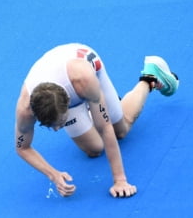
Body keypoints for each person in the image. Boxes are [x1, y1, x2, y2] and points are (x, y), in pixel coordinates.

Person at [13, 43, 179, 198]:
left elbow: (105, 127)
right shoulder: (25, 111)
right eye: (51, 126)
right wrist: (53, 174)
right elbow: (22, 148)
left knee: (120, 131)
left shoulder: (85, 82)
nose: (57, 129)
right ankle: (98, 108)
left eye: (60, 123)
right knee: (94, 149)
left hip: (87, 71)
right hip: (63, 85)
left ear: (68, 105)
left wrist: (119, 180)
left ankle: (149, 79)